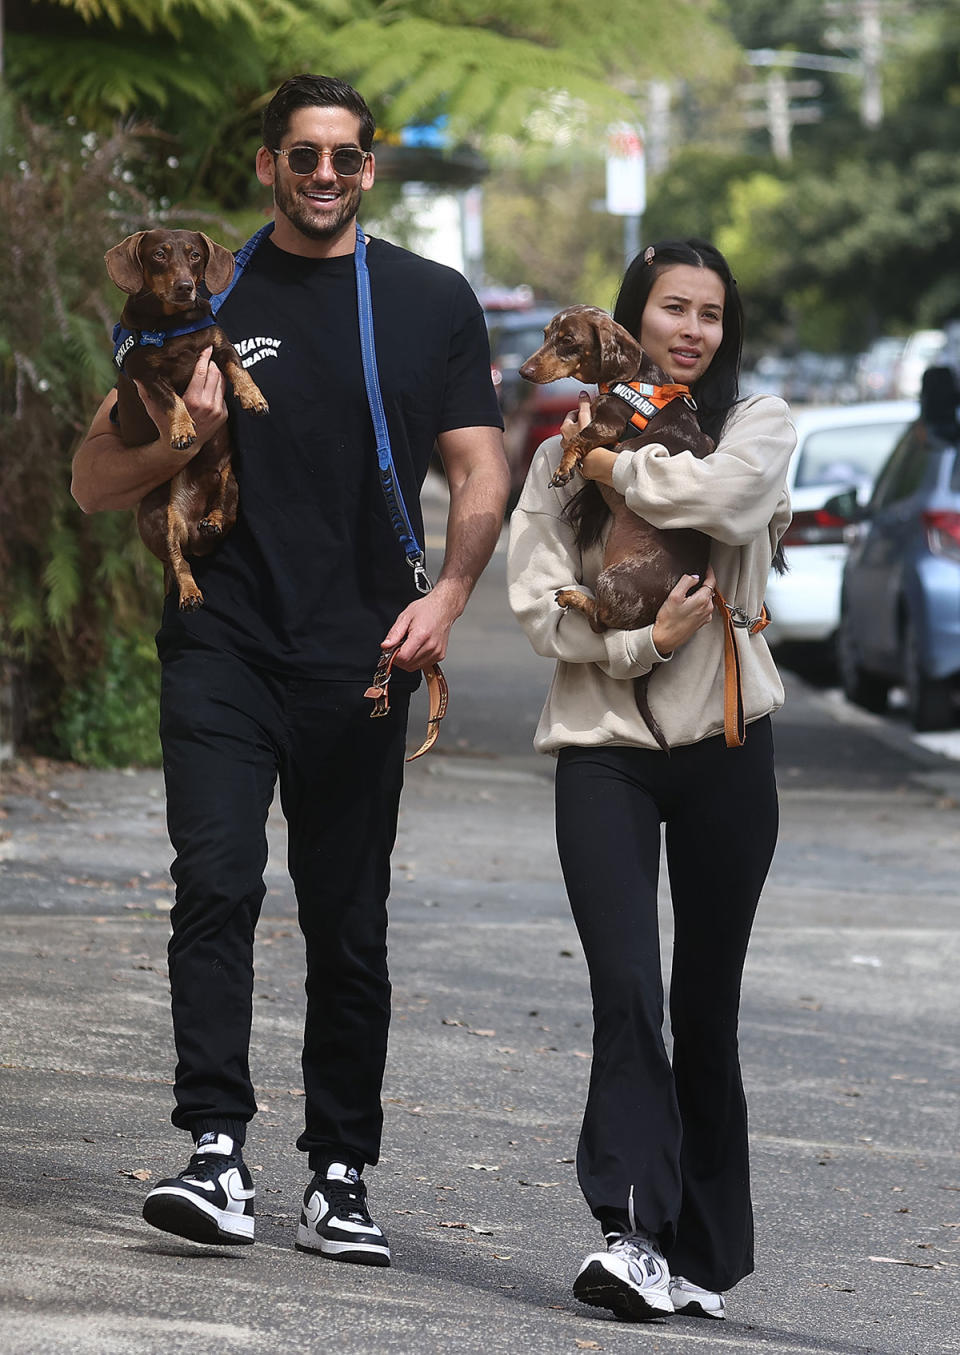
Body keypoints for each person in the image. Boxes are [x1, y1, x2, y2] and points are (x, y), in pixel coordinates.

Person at [71, 73, 508, 1263]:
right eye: (303, 157)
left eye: (346, 158)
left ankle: (340, 1171)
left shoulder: (427, 300)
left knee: (348, 921)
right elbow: (93, 482)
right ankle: (215, 1147)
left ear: (372, 168)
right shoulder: (202, 293)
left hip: (364, 654)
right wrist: (185, 434)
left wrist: (452, 594)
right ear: (268, 164)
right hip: (223, 638)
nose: (325, 176)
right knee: (216, 879)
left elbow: (479, 467)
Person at [507, 239, 795, 1320]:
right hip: (603, 749)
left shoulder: (756, 425)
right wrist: (632, 645)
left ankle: (702, 1256)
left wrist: (610, 467)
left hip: (726, 743)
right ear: (632, 317)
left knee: (706, 1007)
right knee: (628, 989)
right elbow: (540, 607)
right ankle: (632, 1233)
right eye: (672, 307)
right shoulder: (555, 456)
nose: (692, 327)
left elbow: (720, 505)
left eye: (710, 313)